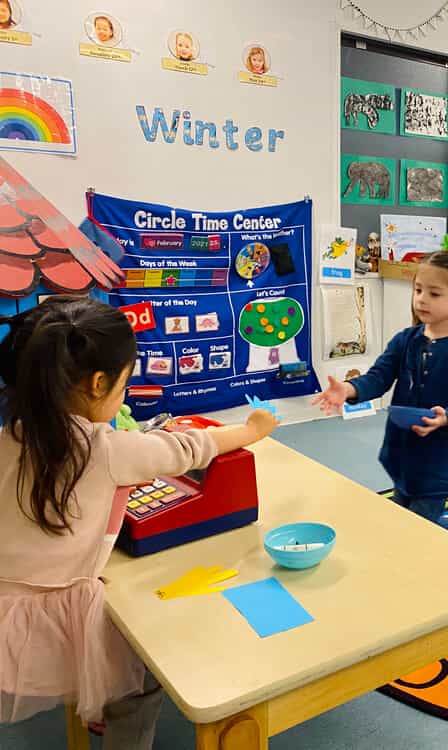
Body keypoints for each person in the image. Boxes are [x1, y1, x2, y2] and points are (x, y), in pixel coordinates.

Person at [0, 296, 279, 748]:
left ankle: (94, 697)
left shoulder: (7, 437)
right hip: (53, 617)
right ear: (97, 384)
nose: (125, 393)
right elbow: (193, 448)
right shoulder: (111, 451)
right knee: (139, 676)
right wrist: (253, 429)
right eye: (124, 384)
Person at [312, 251, 448, 538]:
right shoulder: (405, 340)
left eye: (434, 293)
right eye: (418, 290)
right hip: (402, 452)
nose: (421, 299)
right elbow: (379, 378)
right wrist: (349, 389)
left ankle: (443, 538)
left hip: (440, 458)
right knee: (401, 515)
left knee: (413, 530)